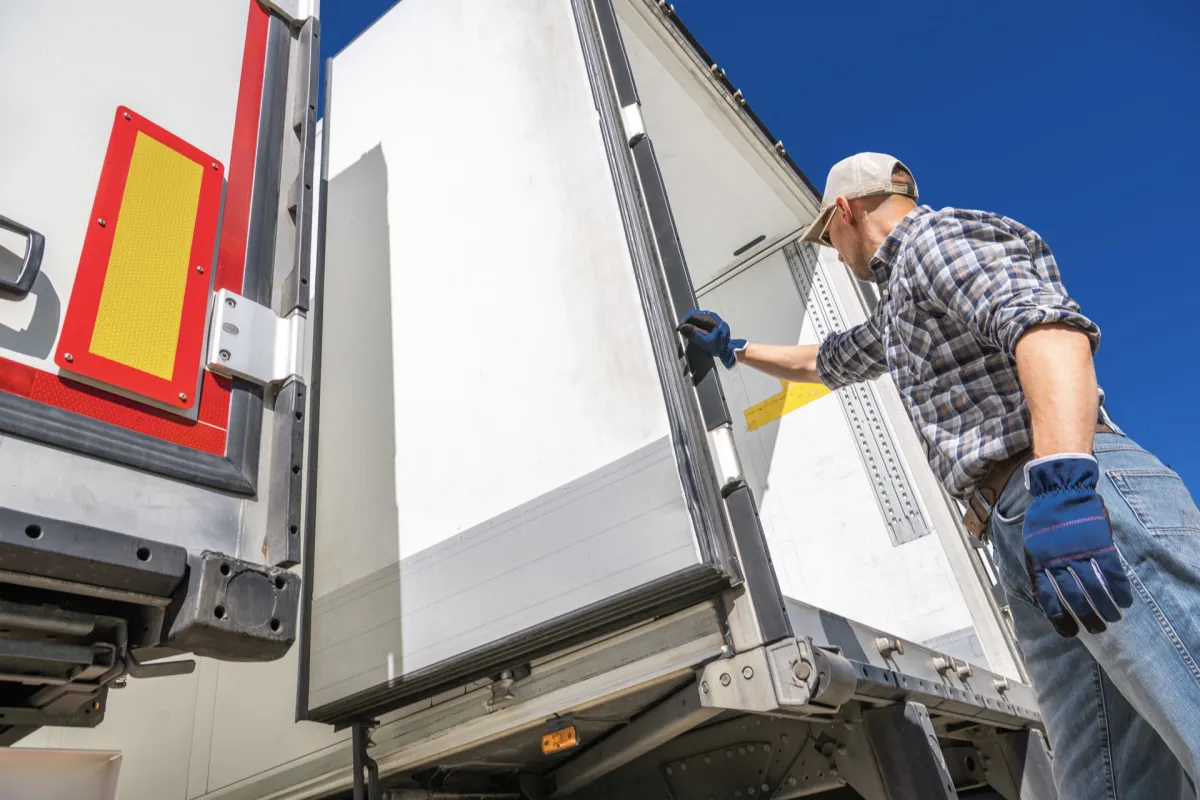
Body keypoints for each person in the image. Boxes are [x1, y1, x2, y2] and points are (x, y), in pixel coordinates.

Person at [678, 153, 1200, 799]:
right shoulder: (902, 304)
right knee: (1110, 777)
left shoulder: (934, 239)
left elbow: (1048, 332)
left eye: (829, 239)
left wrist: (1065, 484)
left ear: (846, 211)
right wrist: (735, 350)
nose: (836, 256)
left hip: (1076, 493)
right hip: (1025, 522)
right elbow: (827, 360)